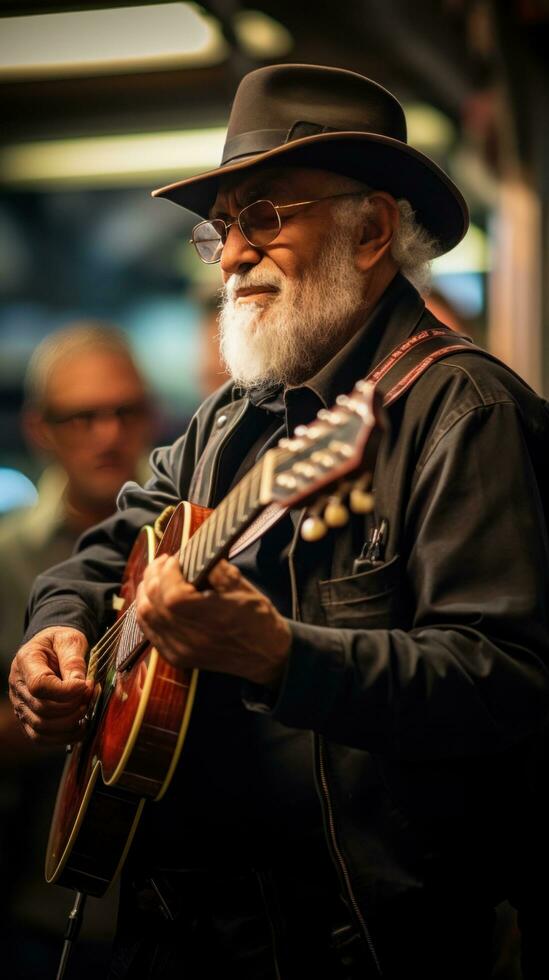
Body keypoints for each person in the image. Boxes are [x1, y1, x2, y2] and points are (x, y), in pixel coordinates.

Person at [8, 64, 549, 980]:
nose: (229, 256)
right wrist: (53, 631)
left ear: (371, 229)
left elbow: (506, 681)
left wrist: (280, 657)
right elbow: (104, 549)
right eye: (222, 227)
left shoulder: (462, 410)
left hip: (364, 949)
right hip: (183, 933)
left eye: (265, 216)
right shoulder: (228, 418)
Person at [0, 321, 153, 977]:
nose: (107, 435)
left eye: (125, 412)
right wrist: (56, 716)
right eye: (81, 417)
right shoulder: (8, 557)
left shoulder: (185, 537)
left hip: (168, 909)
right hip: (34, 898)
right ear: (41, 429)